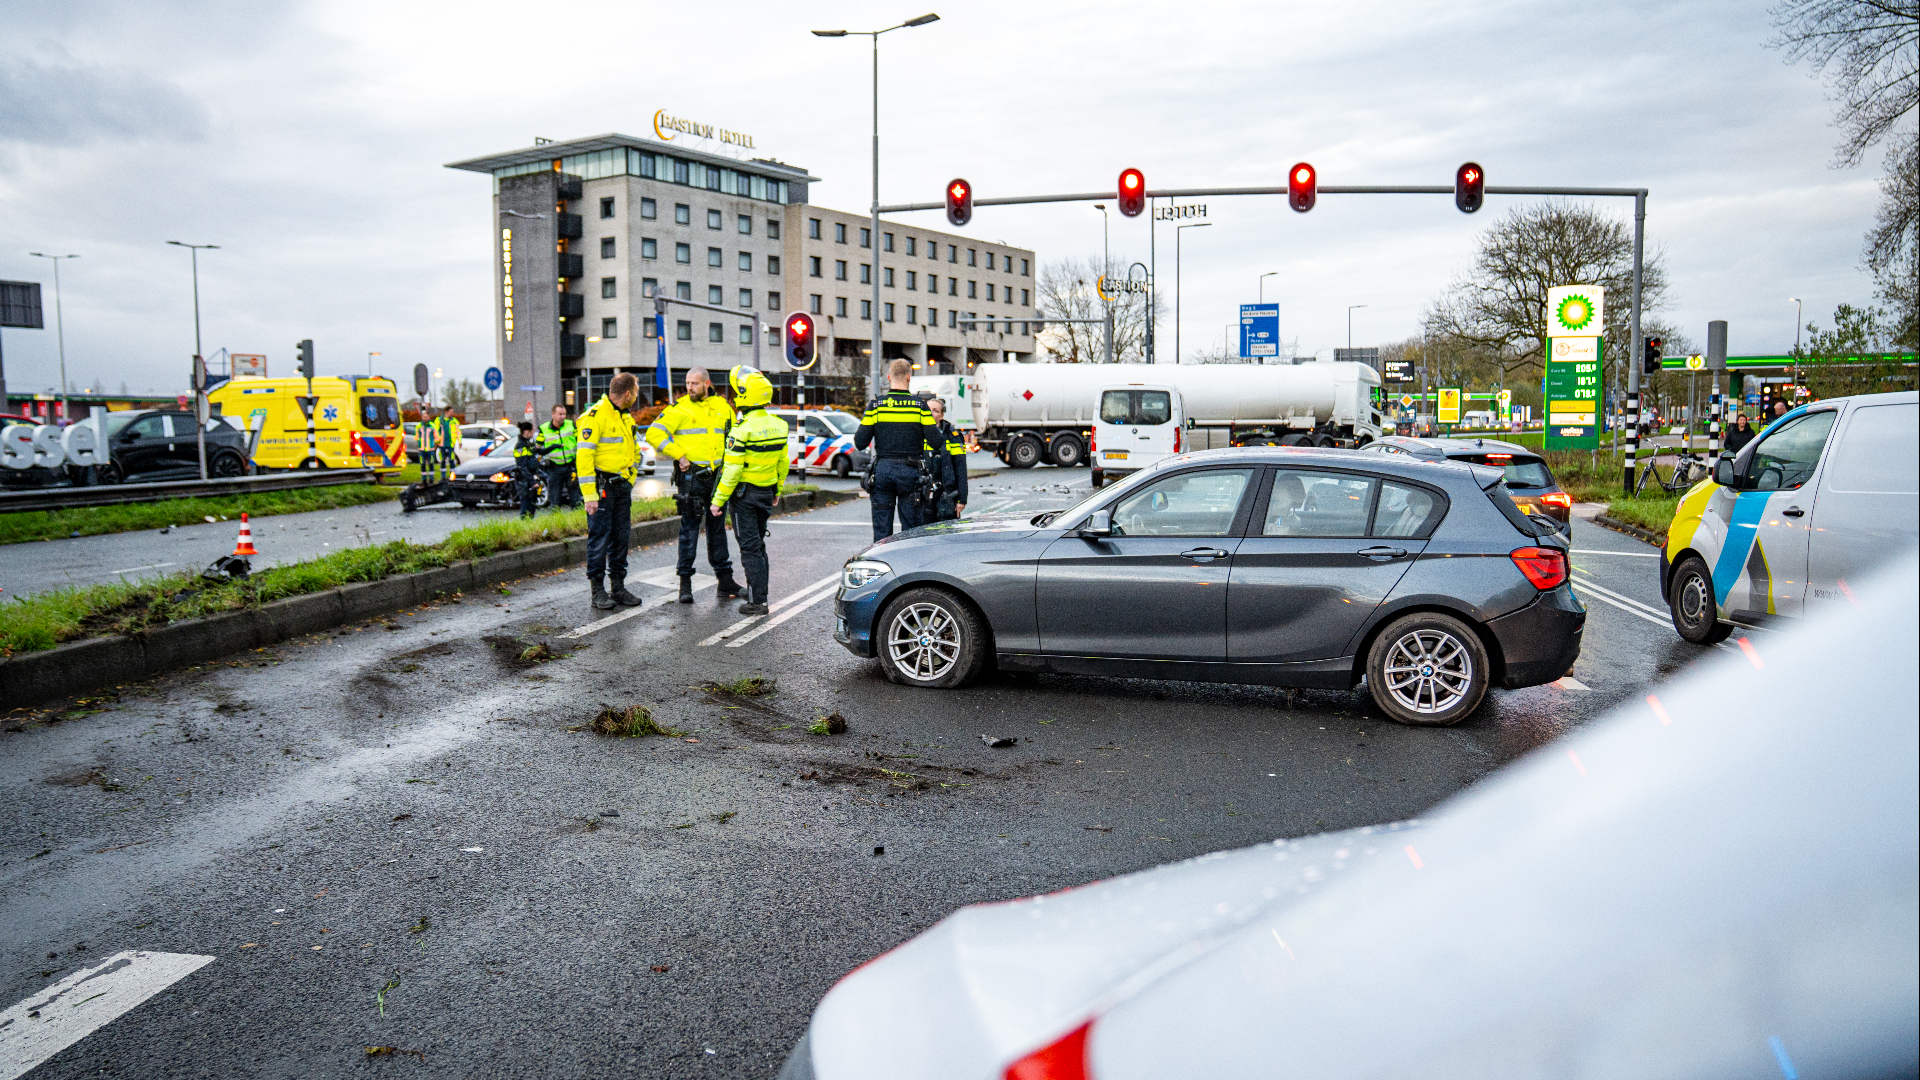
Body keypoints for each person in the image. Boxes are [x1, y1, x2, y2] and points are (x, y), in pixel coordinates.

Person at [645, 366, 743, 604]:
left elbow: (734, 436)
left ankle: (725, 581)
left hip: (717, 478)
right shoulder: (679, 408)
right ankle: (685, 584)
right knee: (689, 531)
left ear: (707, 384)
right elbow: (653, 434)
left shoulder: (722, 407)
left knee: (717, 531)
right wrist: (679, 454)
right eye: (687, 383)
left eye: (694, 384)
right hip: (692, 479)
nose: (689, 388)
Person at [709, 366, 787, 616]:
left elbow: (731, 472)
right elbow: (782, 463)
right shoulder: (779, 426)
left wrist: (717, 501)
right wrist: (778, 490)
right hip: (766, 493)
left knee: (750, 548)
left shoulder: (741, 431)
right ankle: (760, 596)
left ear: (744, 397)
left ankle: (757, 602)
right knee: (759, 546)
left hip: (744, 498)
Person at [576, 373, 645, 611]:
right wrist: (589, 495)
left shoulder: (624, 417)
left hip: (621, 487)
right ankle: (597, 591)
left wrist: (630, 479)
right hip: (602, 488)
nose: (636, 397)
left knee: (621, 538)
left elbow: (635, 452)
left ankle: (618, 588)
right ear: (627, 394)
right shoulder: (594, 417)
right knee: (599, 539)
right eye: (636, 392)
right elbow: (584, 458)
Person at [855, 358, 944, 542]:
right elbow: (936, 442)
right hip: (910, 473)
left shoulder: (876, 406)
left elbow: (860, 442)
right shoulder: (920, 406)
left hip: (883, 471)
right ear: (909, 377)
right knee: (910, 531)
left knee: (881, 533)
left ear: (889, 377)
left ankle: (882, 564)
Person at [926, 397, 968, 522]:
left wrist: (962, 499)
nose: (931, 413)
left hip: (947, 493)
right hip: (923, 494)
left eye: (935, 410)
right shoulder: (917, 433)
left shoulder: (952, 436)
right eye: (928, 410)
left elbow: (960, 468)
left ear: (941, 415)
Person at [536, 404, 579, 509]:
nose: (563, 417)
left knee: (575, 498)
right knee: (555, 499)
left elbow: (580, 441)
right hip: (554, 467)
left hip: (571, 466)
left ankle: (578, 521)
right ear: (553, 414)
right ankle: (556, 522)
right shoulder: (544, 428)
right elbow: (538, 448)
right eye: (560, 414)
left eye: (564, 414)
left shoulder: (571, 425)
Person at [511, 420, 540, 519]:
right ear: (527, 432)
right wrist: (532, 482)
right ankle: (525, 526)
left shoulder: (528, 444)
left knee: (532, 506)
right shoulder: (520, 446)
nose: (533, 434)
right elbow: (522, 466)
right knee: (526, 506)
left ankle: (530, 527)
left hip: (529, 478)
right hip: (524, 480)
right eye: (532, 431)